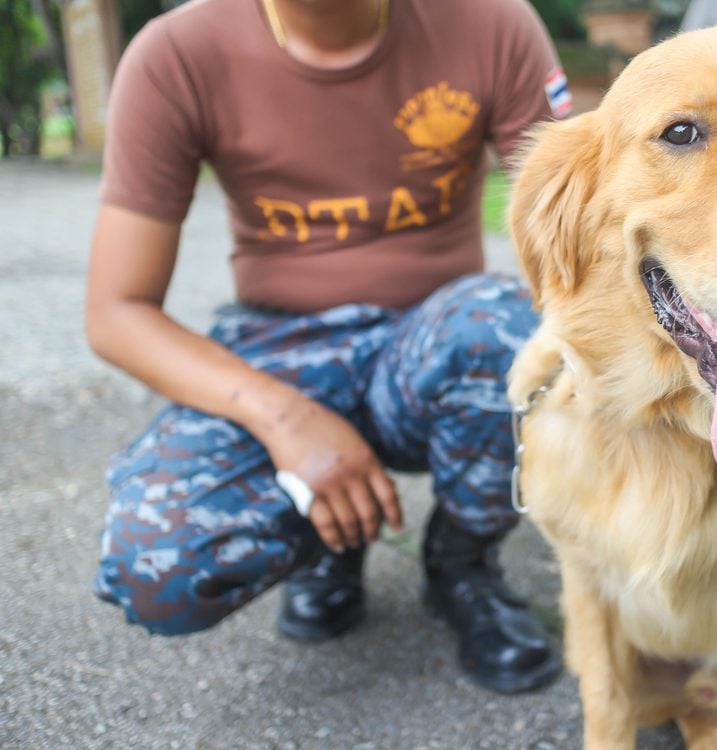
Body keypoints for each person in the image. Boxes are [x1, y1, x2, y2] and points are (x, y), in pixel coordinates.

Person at [86, 0, 572, 694]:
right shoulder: (177, 54)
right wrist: (285, 419)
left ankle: (462, 558)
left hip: (431, 341)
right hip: (279, 348)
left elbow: (581, 228)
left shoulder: (489, 22)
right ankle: (325, 538)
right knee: (155, 565)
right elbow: (115, 310)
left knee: (518, 332)